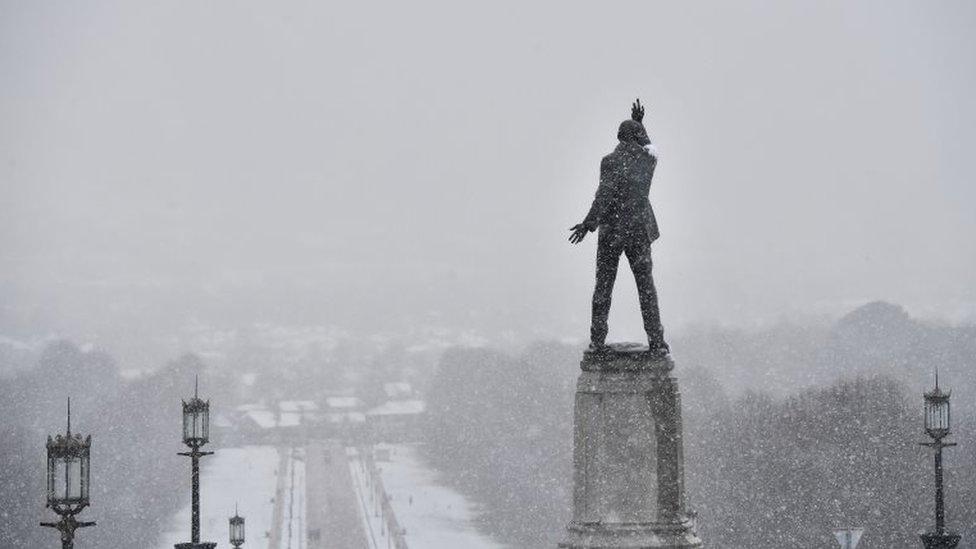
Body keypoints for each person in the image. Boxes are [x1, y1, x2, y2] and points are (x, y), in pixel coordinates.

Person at [569, 99, 668, 354]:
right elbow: (650, 147)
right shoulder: (647, 161)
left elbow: (604, 195)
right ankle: (656, 340)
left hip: (613, 230)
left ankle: (598, 340)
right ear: (637, 137)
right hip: (639, 229)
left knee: (604, 285)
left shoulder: (610, 161)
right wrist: (641, 125)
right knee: (646, 288)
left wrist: (589, 223)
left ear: (619, 137)